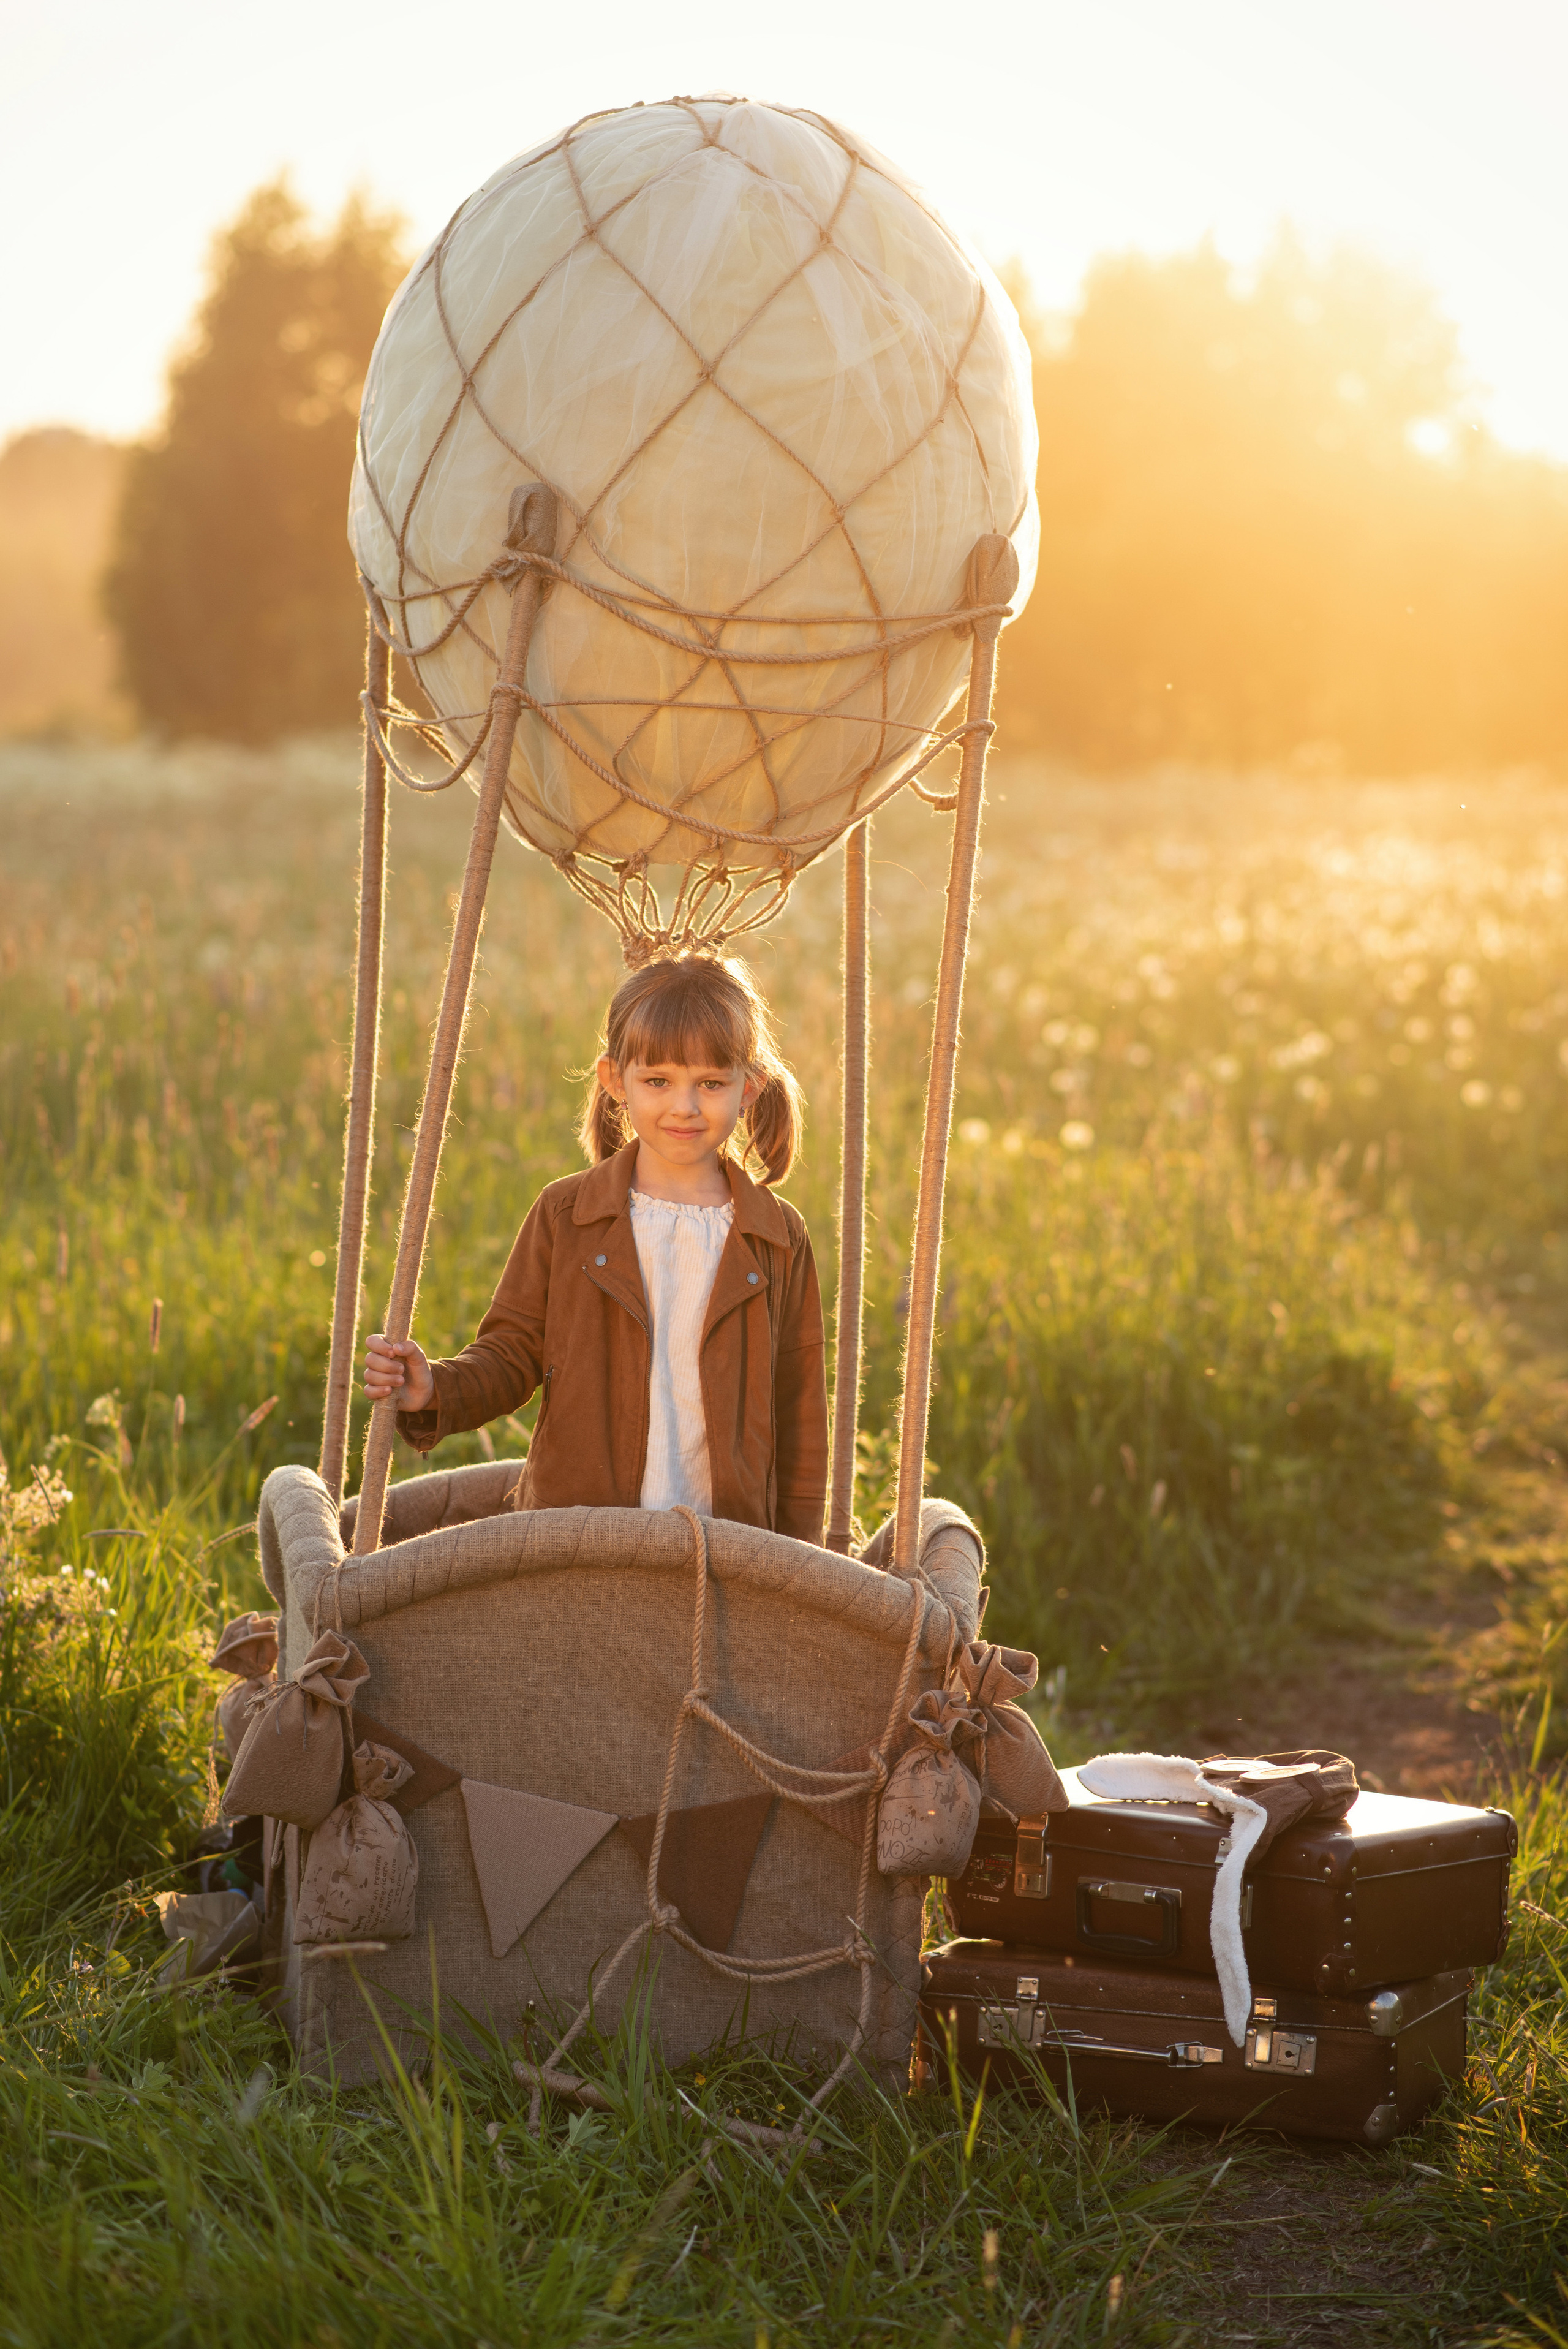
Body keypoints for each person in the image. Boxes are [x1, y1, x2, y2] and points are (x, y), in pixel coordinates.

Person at [362, 954, 829, 1541]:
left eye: (711, 1083)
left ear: (749, 1087)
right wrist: (435, 1389)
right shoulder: (568, 1215)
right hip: (580, 1539)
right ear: (615, 1081)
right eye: (658, 1081)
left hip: (726, 1544)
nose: (684, 1106)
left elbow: (800, 1410)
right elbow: (511, 1354)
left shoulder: (776, 1236)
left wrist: (799, 1561)